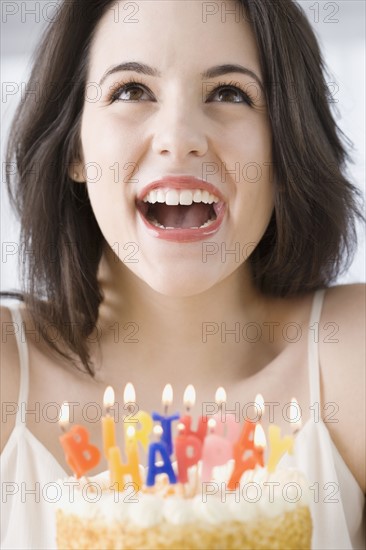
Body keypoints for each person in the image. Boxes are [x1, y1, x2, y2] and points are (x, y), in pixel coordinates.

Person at [1, 0, 365, 548]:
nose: (179, 135)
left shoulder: (350, 356)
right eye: (131, 91)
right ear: (76, 146)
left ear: (283, 148)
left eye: (229, 94)